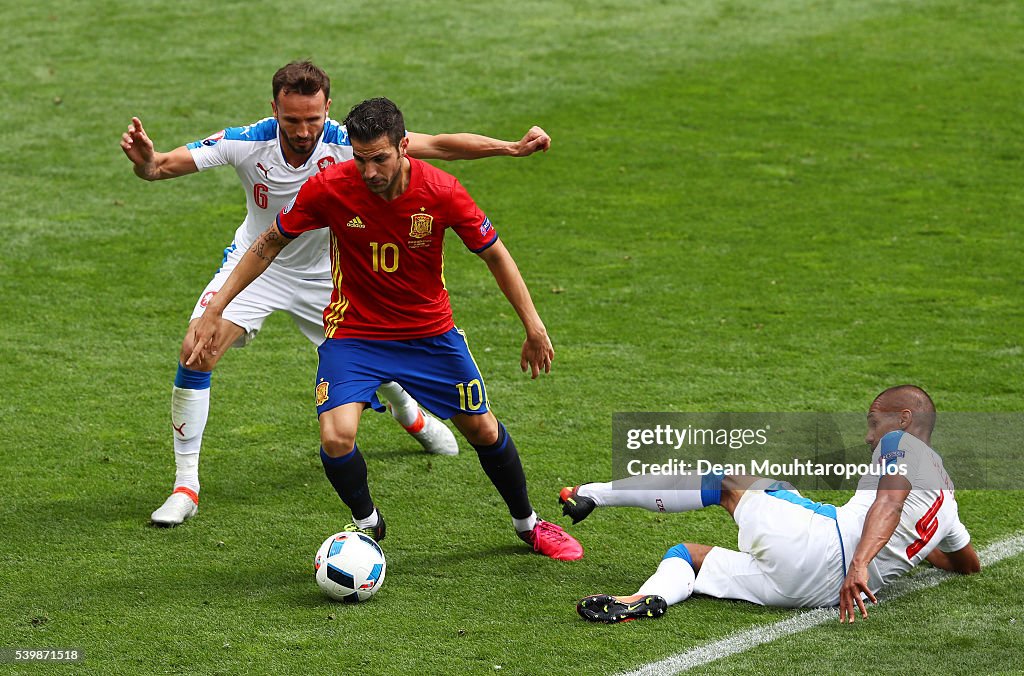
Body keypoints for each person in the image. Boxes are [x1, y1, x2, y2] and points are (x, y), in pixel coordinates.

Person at [121, 61, 554, 527]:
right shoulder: (245, 141)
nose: (305, 131)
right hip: (259, 264)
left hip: (332, 273)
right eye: (292, 121)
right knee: (195, 352)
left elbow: (440, 145)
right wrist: (146, 162)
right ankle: (186, 485)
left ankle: (411, 414)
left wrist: (509, 147)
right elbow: (160, 167)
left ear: (328, 109)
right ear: (275, 111)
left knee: (374, 346)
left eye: (314, 119)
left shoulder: (350, 141)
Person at [185, 97, 583, 561]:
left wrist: (533, 326)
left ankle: (528, 523)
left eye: (380, 159)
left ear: (404, 147)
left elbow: (495, 253)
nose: (369, 172)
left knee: (483, 431)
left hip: (429, 336)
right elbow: (268, 242)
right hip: (354, 335)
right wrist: (217, 307)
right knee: (336, 438)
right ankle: (368, 523)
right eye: (360, 158)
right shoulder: (330, 188)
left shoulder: (443, 192)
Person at [559, 385, 980, 622]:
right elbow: (967, 563)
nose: (870, 436)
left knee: (728, 484)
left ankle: (594, 493)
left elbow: (890, 499)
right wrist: (914, 549)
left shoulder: (900, 443)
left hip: (822, 549)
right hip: (817, 595)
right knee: (689, 556)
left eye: (874, 422)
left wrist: (861, 562)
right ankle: (643, 599)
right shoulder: (949, 506)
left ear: (904, 419)